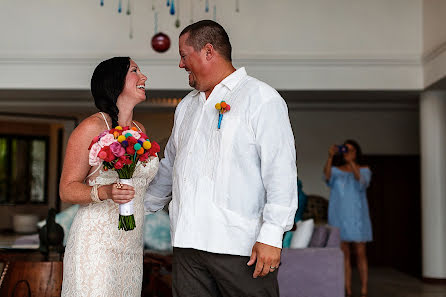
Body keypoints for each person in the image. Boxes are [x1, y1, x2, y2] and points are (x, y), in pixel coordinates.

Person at [144, 20, 298, 297]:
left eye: (183, 55)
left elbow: (280, 171)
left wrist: (273, 235)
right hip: (187, 243)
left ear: (208, 51)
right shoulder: (186, 107)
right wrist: (138, 208)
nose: (180, 65)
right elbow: (170, 167)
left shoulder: (261, 98)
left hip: (242, 247)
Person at [59, 57, 159, 296]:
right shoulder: (92, 127)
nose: (143, 77)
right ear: (115, 81)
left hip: (131, 244)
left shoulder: (139, 130)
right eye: (135, 71)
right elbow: (67, 189)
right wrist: (104, 192)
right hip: (96, 244)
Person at [323, 140, 372, 297]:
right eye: (345, 150)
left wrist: (351, 163)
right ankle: (347, 288)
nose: (346, 152)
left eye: (350, 150)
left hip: (357, 217)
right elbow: (326, 176)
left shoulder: (364, 170)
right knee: (344, 254)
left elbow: (362, 182)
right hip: (339, 216)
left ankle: (364, 288)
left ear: (356, 152)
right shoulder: (336, 170)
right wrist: (330, 157)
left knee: (360, 253)